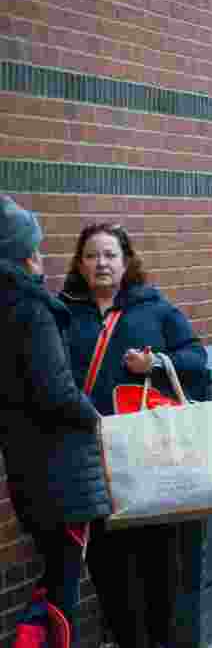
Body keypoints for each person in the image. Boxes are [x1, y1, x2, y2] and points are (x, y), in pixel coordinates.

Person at [61, 223, 207, 648]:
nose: (101, 263)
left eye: (109, 254)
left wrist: (156, 364)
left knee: (158, 563)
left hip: (149, 459)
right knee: (108, 566)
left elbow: (195, 357)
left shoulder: (154, 308)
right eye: (92, 255)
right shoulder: (64, 310)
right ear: (80, 263)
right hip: (93, 459)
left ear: (126, 262)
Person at [0, 198, 111, 647]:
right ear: (25, 255)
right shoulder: (31, 308)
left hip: (27, 466)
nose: (42, 259)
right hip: (59, 471)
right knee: (63, 580)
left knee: (54, 573)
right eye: (38, 250)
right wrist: (95, 418)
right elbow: (57, 391)